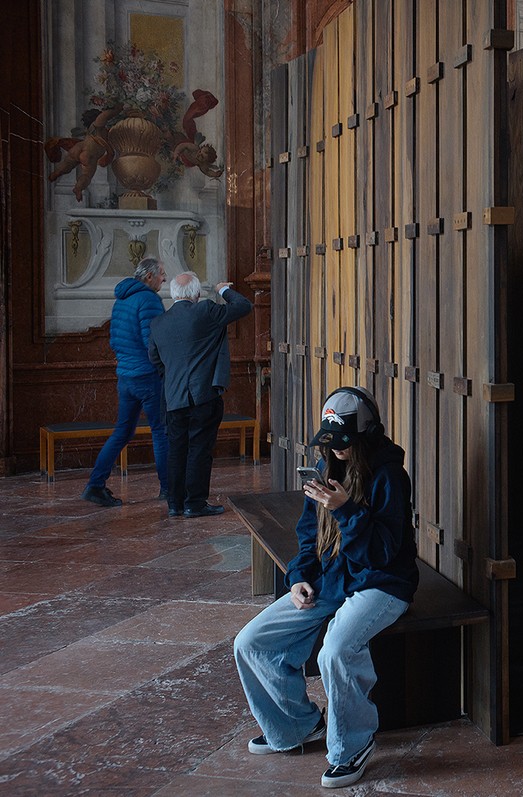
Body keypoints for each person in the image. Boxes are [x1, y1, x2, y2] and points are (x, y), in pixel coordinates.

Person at [234, 387, 417, 789]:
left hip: (381, 583)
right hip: (330, 579)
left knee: (335, 649)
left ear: (366, 436)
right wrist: (298, 576)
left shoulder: (389, 476)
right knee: (251, 642)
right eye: (330, 443)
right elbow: (307, 536)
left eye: (344, 444)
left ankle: (353, 744)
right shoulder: (326, 467)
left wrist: (346, 510)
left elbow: (383, 554)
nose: (336, 452)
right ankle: (297, 725)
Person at [148, 271, 252, 517]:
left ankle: (174, 504)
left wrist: (173, 379)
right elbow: (243, 306)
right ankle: (194, 503)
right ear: (195, 293)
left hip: (173, 398)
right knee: (199, 450)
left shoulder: (158, 323)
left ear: (174, 294)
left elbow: (155, 359)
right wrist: (222, 290)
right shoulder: (205, 311)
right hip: (203, 395)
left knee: (177, 450)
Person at [81, 257, 170, 507]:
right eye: (162, 274)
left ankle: (95, 485)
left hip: (126, 376)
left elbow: (114, 341)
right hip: (148, 377)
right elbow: (152, 342)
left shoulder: (121, 299)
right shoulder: (149, 299)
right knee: (161, 432)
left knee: (122, 432)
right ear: (149, 276)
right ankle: (168, 488)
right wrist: (164, 368)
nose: (165, 278)